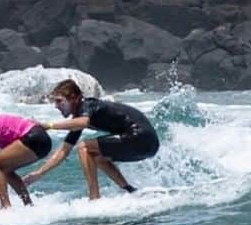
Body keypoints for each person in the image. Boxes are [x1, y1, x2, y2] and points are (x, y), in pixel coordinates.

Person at [24, 78, 160, 200]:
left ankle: (94, 197)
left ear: (74, 98)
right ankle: (129, 190)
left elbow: (83, 122)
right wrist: (38, 174)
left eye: (59, 101)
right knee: (97, 156)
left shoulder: (88, 105)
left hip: (141, 137)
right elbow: (63, 152)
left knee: (84, 147)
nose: (56, 105)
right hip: (148, 144)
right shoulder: (79, 117)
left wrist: (50, 125)